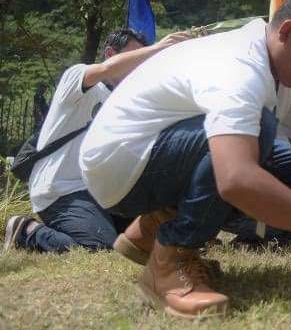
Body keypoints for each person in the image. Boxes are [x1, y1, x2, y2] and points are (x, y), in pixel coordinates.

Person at [78, 0, 291, 319]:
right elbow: (235, 179)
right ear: (287, 31)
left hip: (151, 157)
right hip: (117, 166)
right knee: (257, 134)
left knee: (288, 162)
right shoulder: (240, 66)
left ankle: (149, 231)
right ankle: (171, 259)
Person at [3, 29, 190, 254]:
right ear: (111, 53)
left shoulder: (128, 101)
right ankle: (27, 231)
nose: (141, 64)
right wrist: (158, 48)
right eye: (137, 56)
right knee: (99, 246)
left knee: (146, 235)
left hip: (101, 190)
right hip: (62, 189)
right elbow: (106, 69)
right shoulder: (77, 78)